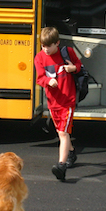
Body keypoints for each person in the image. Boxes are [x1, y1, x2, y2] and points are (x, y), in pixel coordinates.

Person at [34, 26, 80, 181]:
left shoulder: (67, 53)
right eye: (43, 46)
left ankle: (61, 165)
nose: (45, 49)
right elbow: (39, 78)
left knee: (63, 133)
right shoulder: (39, 58)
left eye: (49, 46)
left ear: (57, 43)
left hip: (67, 100)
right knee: (61, 132)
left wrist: (72, 68)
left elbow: (79, 66)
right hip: (53, 102)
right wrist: (48, 81)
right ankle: (71, 153)